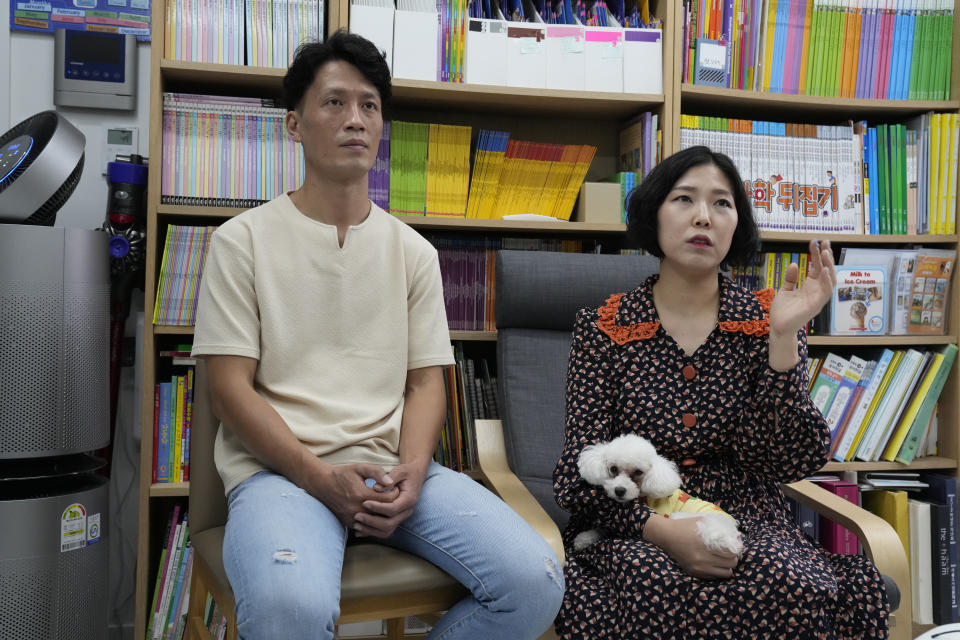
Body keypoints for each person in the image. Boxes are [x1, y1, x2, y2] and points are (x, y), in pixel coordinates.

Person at [191, 30, 563, 640]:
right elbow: (230, 392)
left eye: (369, 105)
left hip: (394, 471)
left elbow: (426, 386)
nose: (355, 120)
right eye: (334, 102)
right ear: (294, 124)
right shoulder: (243, 241)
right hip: (283, 474)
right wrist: (318, 477)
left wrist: (414, 472)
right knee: (291, 611)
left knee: (535, 583)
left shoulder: (413, 251)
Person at [553, 146, 890, 639]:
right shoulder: (603, 328)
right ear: (653, 214)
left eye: (722, 204)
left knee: (792, 584)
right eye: (684, 199)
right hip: (633, 519)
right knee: (651, 585)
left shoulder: (771, 319)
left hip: (744, 513)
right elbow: (573, 477)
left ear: (738, 227)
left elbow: (784, 463)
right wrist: (661, 531)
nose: (703, 217)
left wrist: (781, 343)